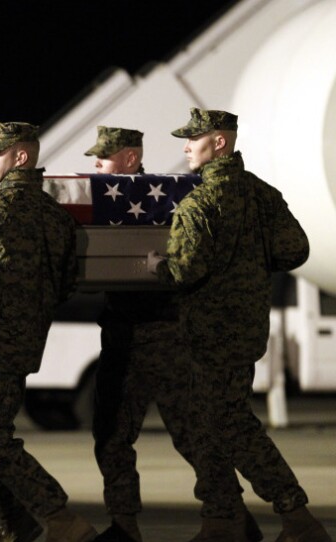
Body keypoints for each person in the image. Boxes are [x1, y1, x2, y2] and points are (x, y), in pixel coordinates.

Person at [148, 108, 332, 542]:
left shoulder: (199, 203)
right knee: (208, 420)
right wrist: (250, 263)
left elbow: (185, 271)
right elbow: (295, 252)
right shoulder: (263, 195)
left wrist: (159, 267)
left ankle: (296, 516)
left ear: (219, 143)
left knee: (228, 422)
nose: (186, 147)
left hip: (209, 333)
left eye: (194, 139)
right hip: (247, 329)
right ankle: (223, 518)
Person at [86, 126, 259, 542]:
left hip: (166, 336)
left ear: (129, 158)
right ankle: (124, 524)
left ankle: (229, 517)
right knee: (110, 437)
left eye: (104, 157)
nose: (96, 164)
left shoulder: (171, 200)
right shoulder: (106, 203)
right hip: (122, 338)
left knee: (192, 434)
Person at [0, 120, 96, 542]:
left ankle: (58, 516)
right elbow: (66, 285)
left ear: (21, 157)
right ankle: (12, 524)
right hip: (29, 342)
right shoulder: (58, 219)